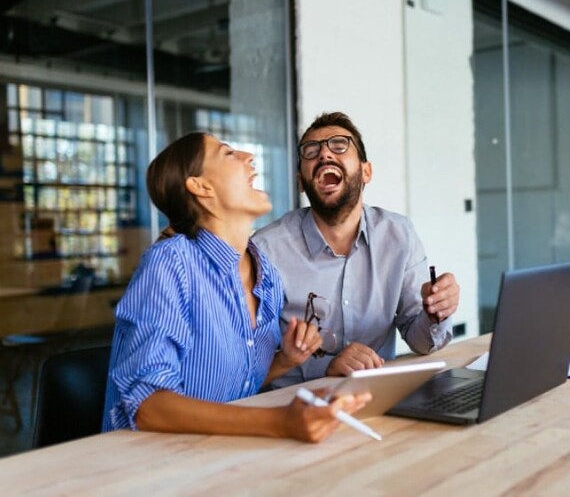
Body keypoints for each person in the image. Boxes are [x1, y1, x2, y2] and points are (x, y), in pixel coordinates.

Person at [102, 132, 369, 443]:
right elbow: (147, 407)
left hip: (215, 452)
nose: (249, 157)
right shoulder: (170, 264)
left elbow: (236, 384)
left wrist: (286, 360)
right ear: (201, 187)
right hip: (147, 467)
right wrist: (281, 422)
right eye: (228, 154)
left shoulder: (265, 272)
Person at [252, 112, 460, 387]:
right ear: (301, 181)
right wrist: (325, 367)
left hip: (378, 397)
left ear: (366, 171)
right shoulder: (266, 249)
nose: (324, 154)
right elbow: (247, 361)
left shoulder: (398, 234)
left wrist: (435, 313)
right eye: (311, 150)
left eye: (339, 145)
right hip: (294, 404)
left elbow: (420, 341)